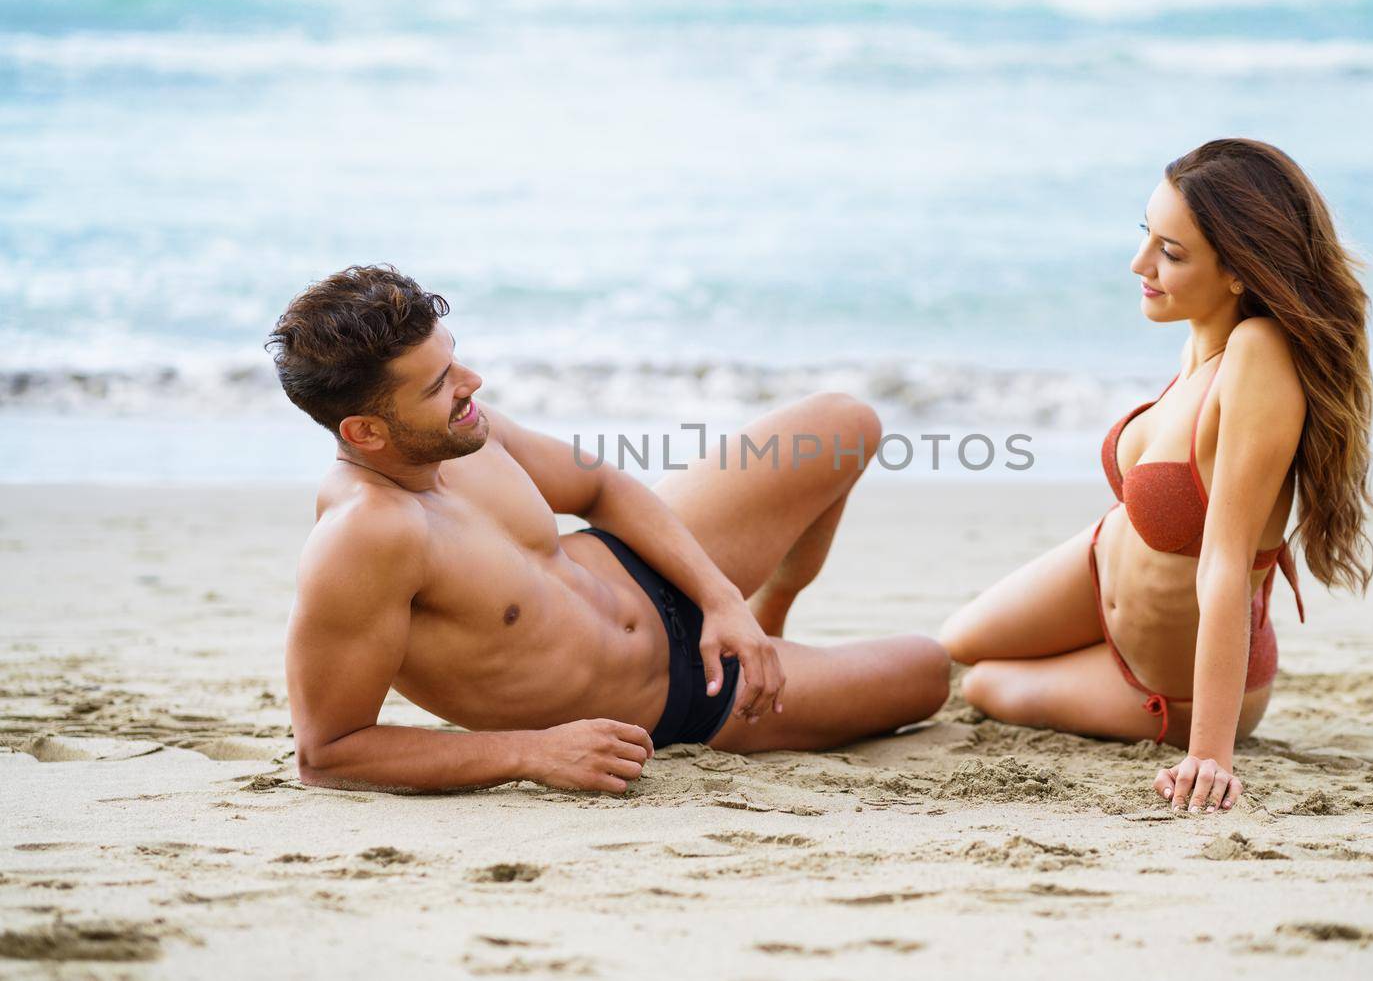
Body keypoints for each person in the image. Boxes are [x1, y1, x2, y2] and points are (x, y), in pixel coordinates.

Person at [268, 266, 949, 795]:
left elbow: (600, 488)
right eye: (441, 383)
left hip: (648, 569)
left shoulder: (462, 430)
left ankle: (767, 618)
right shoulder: (364, 538)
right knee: (928, 671)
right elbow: (328, 751)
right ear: (364, 431)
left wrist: (721, 599)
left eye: (457, 360)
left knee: (840, 424)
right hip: (682, 696)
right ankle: (765, 668)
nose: (472, 383)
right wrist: (532, 752)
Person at [940, 138, 1373, 816]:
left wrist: (1209, 751)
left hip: (1159, 677)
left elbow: (1225, 564)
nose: (1140, 263)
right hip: (1098, 571)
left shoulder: (1257, 359)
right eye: (1148, 235)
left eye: (1171, 253)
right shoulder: (1198, 336)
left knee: (981, 686)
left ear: (1240, 271)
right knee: (951, 644)